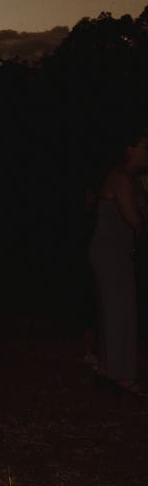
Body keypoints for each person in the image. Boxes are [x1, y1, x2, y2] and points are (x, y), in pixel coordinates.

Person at [87, 124, 148, 395]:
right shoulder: (122, 177)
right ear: (130, 149)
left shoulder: (134, 179)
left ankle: (108, 370)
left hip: (119, 252)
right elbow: (134, 219)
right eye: (145, 147)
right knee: (118, 310)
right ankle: (120, 375)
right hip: (109, 251)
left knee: (118, 309)